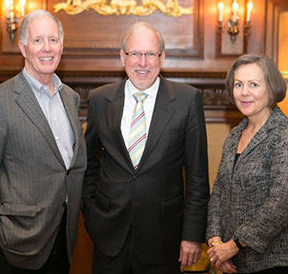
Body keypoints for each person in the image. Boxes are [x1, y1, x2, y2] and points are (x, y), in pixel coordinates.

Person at [0, 9, 87, 274]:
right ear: (23, 47)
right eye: (38, 40)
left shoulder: (71, 99)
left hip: (63, 239)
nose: (47, 48)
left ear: (62, 45)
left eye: (53, 40)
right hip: (16, 244)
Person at [83, 21, 210, 273]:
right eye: (135, 54)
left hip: (164, 237)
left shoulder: (186, 100)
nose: (143, 63)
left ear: (162, 58)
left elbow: (197, 175)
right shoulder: (99, 99)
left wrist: (192, 235)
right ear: (123, 57)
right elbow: (88, 163)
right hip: (109, 235)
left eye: (150, 54)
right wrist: (91, 213)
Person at [206, 54, 288, 274]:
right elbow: (219, 193)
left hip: (278, 262)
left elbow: (282, 204)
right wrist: (217, 245)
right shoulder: (234, 135)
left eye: (253, 84)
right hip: (235, 263)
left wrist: (233, 245)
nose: (244, 92)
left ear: (271, 88)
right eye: (238, 84)